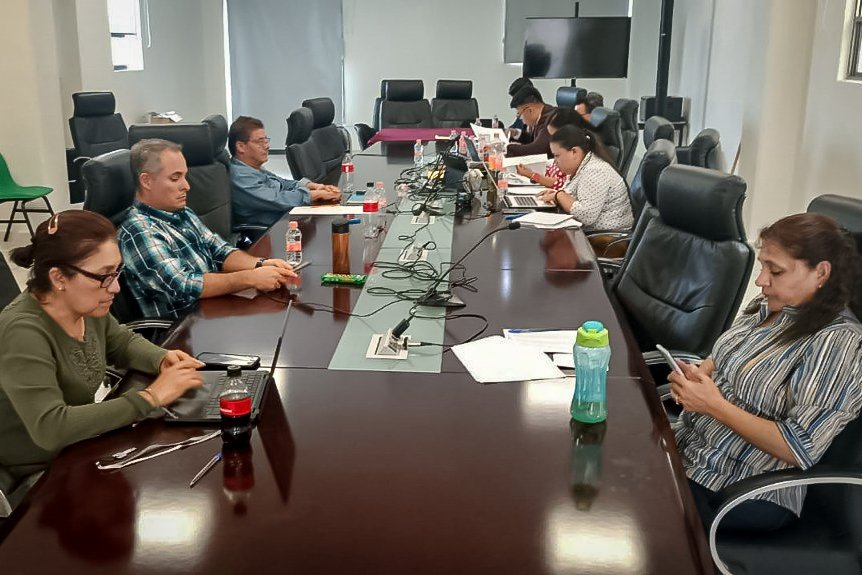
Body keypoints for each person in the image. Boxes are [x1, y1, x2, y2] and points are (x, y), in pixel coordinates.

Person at [670, 213, 862, 532]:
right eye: (763, 266)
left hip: (738, 489)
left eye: (776, 271)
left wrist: (713, 405)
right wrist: (699, 374)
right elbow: (728, 354)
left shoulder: (836, 341)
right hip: (690, 449)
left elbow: (799, 448)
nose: (761, 280)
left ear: (821, 273)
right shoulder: (770, 306)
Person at [0, 211, 204, 480]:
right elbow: (51, 428)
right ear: (59, 278)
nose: (115, 287)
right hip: (35, 473)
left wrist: (161, 358)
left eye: (116, 272)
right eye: (104, 276)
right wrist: (150, 397)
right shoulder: (22, 333)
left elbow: (121, 342)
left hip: (79, 447)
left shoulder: (86, 306)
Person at [119, 138, 297, 319]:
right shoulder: (139, 230)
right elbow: (184, 285)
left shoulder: (181, 212)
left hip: (212, 308)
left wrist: (261, 264)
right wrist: (250, 278)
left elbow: (219, 250)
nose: (186, 186)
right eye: (175, 178)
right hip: (182, 325)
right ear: (147, 181)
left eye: (184, 176)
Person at [229, 116, 340, 228]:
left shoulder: (253, 168)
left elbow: (282, 183)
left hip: (285, 219)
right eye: (260, 142)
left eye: (266, 140)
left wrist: (313, 186)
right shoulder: (240, 176)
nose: (267, 146)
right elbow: (276, 199)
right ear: (241, 146)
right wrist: (314, 195)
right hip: (268, 231)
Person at [537, 125, 633, 231]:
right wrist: (556, 195)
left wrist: (559, 195)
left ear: (574, 152)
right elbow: (575, 197)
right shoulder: (580, 166)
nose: (555, 161)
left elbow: (587, 216)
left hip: (606, 237)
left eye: (557, 156)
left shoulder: (595, 171)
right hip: (591, 232)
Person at [516, 108, 592, 190]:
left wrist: (532, 175)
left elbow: (561, 183)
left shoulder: (574, 155)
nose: (552, 140)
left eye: (556, 136)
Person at [505, 86, 557, 158]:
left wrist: (506, 148)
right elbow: (536, 140)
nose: (520, 118)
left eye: (519, 114)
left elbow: (537, 150)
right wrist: (516, 133)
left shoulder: (551, 119)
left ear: (530, 110)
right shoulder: (542, 115)